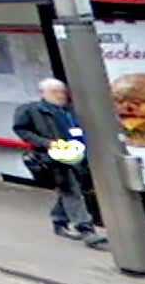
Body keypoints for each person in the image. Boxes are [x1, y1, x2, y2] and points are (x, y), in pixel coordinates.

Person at [12, 78, 108, 248]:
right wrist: (46, 142)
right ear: (43, 94)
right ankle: (86, 230)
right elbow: (21, 130)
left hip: (78, 155)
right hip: (54, 158)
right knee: (71, 191)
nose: (60, 95)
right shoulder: (32, 110)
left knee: (76, 189)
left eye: (62, 91)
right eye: (55, 92)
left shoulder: (71, 110)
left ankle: (59, 221)